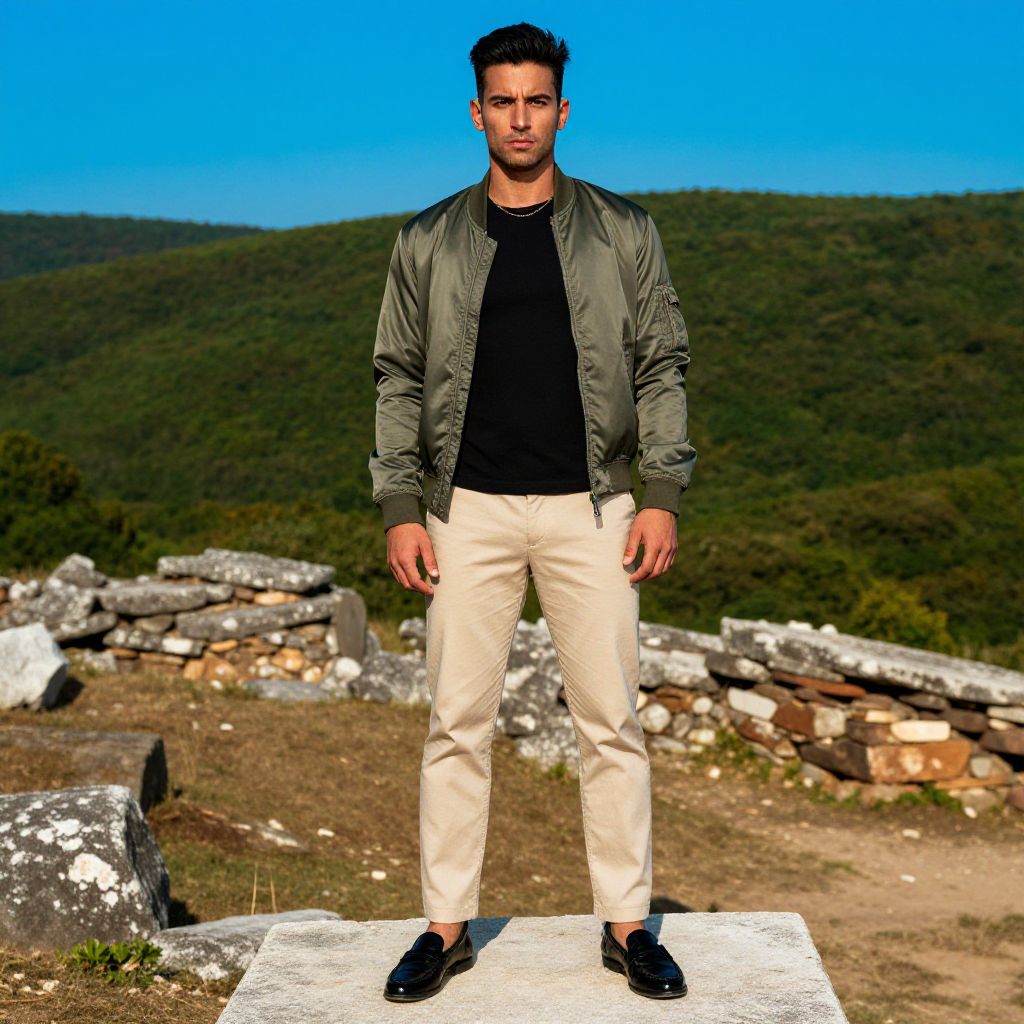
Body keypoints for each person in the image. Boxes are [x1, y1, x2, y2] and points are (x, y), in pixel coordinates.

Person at [369, 21, 695, 1003]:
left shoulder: (625, 230)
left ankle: (629, 927)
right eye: (501, 101)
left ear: (561, 109)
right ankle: (444, 927)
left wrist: (662, 492)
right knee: (454, 723)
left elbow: (661, 364)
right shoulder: (426, 239)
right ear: (477, 112)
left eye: (535, 100)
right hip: (462, 511)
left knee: (611, 723)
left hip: (593, 509)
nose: (519, 117)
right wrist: (399, 504)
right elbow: (396, 374)